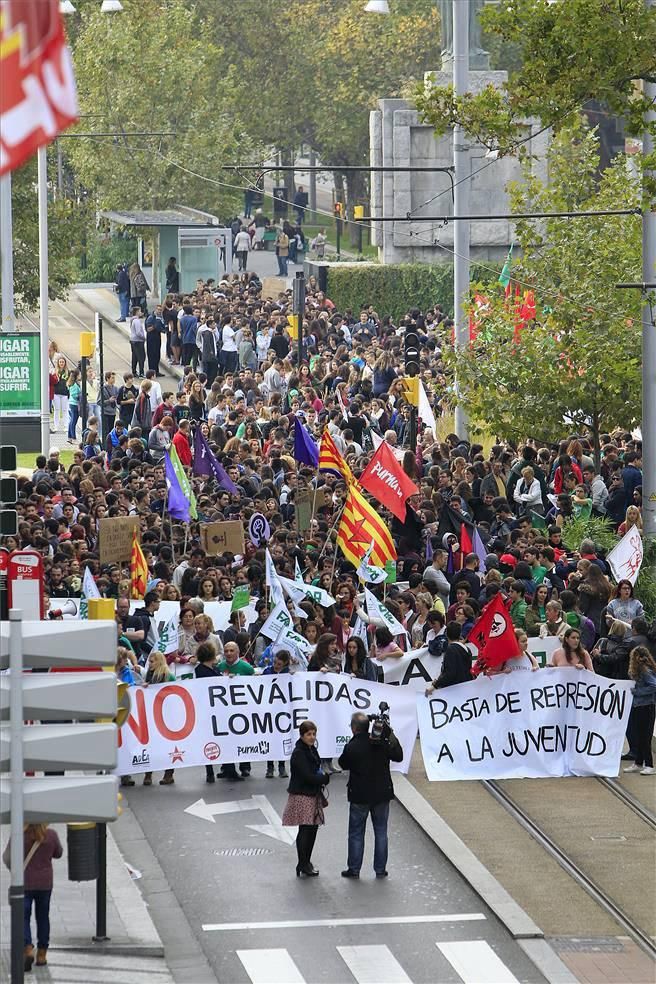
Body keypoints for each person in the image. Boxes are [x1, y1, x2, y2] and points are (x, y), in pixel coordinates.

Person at [338, 710, 403, 879]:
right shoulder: (381, 742)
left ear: (354, 728)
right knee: (381, 832)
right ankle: (380, 869)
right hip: (382, 794)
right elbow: (398, 755)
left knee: (356, 833)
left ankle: (354, 868)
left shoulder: (352, 746)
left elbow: (342, 763)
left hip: (360, 796)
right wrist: (389, 733)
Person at [3, 823, 63, 971]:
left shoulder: (19, 836)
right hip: (45, 884)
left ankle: (28, 948)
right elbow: (58, 853)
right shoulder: (51, 835)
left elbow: (6, 857)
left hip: (24, 883)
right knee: (43, 917)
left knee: (23, 917)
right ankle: (42, 954)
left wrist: (15, 868)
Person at [282, 720, 329, 877]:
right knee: (305, 829)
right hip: (303, 795)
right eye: (309, 734)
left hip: (312, 794)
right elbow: (307, 776)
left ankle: (306, 862)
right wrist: (323, 779)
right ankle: (302, 863)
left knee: (312, 829)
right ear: (302, 735)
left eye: (314, 734)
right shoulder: (299, 753)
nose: (312, 737)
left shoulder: (311, 750)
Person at [624, 645, 656, 775]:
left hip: (646, 707)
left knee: (645, 737)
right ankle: (638, 762)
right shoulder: (642, 669)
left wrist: (638, 692)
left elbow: (654, 685)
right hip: (639, 706)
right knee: (639, 735)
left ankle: (649, 764)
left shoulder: (645, 670)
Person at [425, 621, 472, 691]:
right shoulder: (467, 649)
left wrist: (435, 685)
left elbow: (449, 673)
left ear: (446, 634)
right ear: (459, 634)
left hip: (454, 690)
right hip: (466, 688)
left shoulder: (450, 649)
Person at [129, 306, 146, 378]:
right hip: (138, 341)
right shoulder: (137, 321)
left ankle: (134, 371)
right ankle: (141, 373)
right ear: (136, 312)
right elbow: (138, 332)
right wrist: (144, 337)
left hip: (133, 341)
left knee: (134, 357)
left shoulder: (132, 320)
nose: (141, 313)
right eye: (140, 311)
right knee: (141, 357)